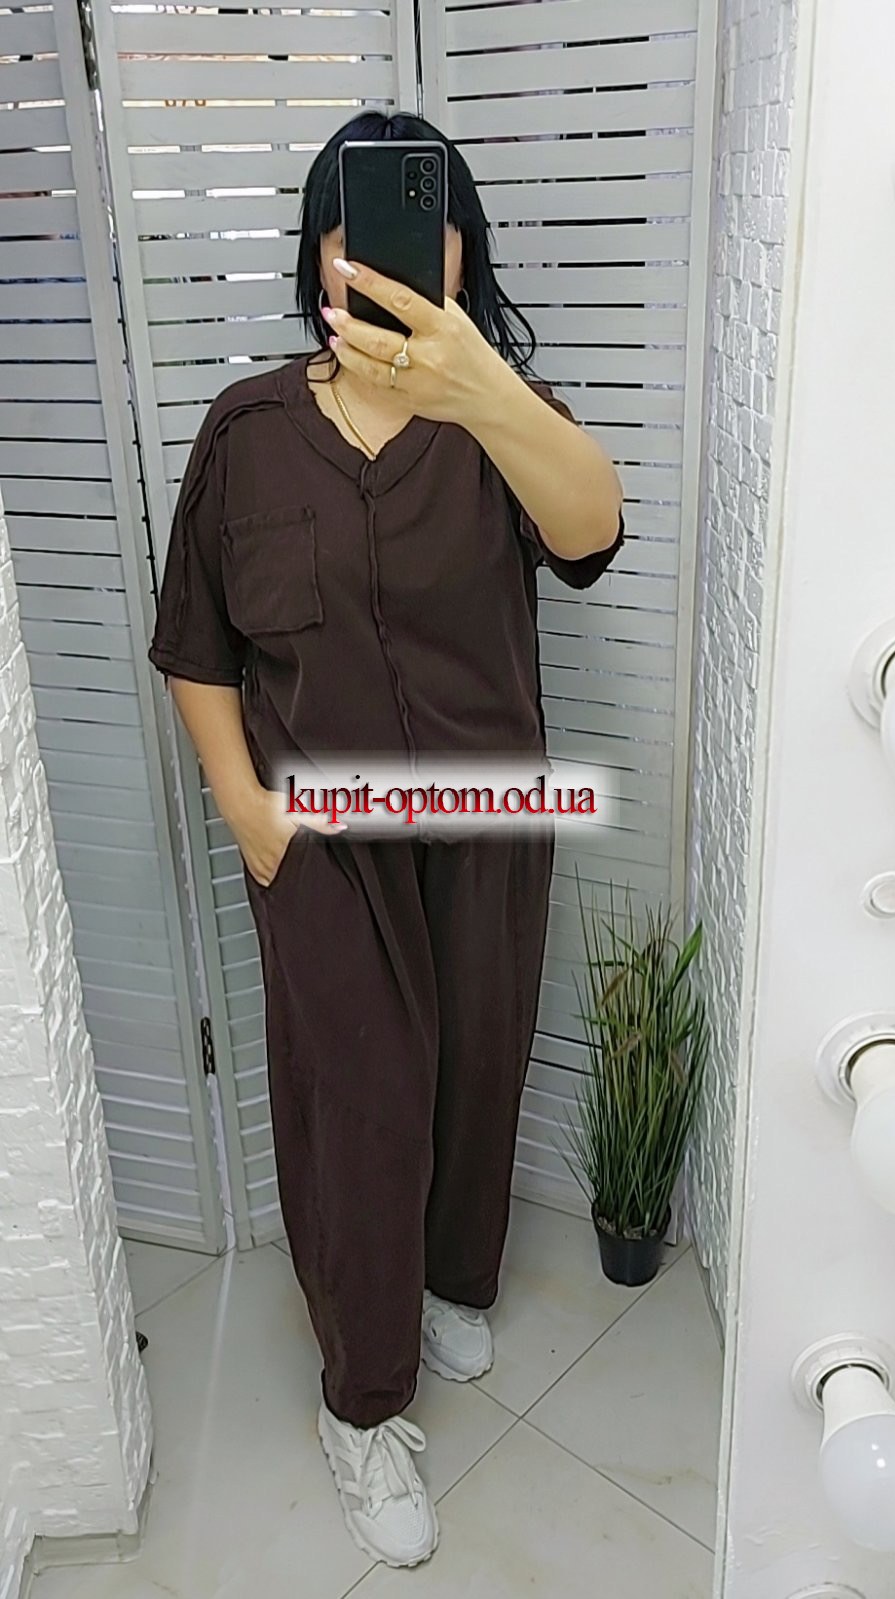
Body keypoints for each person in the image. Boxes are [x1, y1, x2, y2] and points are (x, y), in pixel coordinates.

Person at [147, 109, 624, 1570]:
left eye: (423, 228)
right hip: (324, 842)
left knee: (477, 1065)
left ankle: (452, 1280)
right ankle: (363, 1408)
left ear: (463, 255)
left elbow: (593, 532)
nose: (385, 258)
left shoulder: (502, 422)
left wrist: (486, 389)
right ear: (319, 258)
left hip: (489, 822)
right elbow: (198, 646)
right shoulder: (250, 432)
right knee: (360, 1097)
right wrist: (247, 811)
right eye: (351, 232)